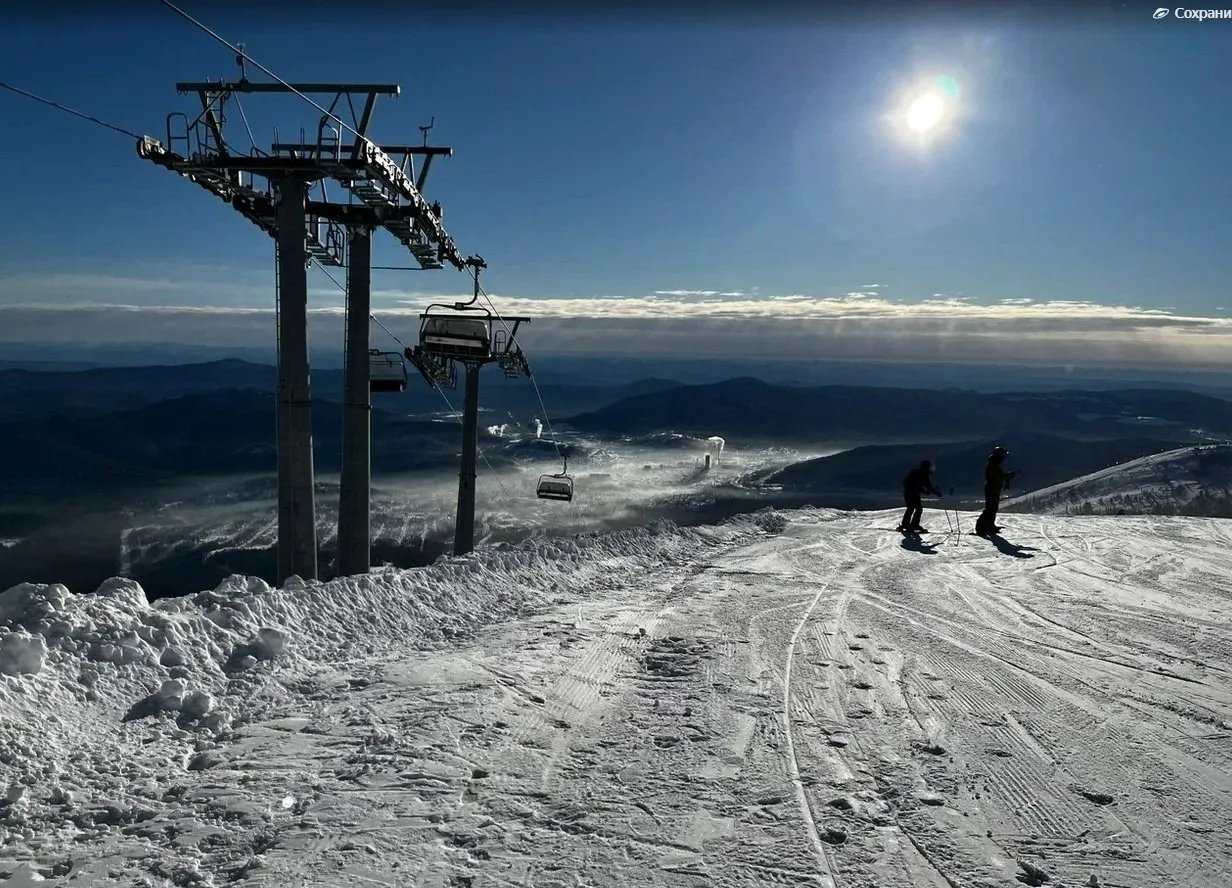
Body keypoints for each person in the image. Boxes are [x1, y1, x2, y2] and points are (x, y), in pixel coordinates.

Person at [974, 445, 1018, 536]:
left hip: (994, 488)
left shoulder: (994, 464)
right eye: (1003, 456)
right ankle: (980, 528)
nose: (1004, 458)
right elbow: (997, 477)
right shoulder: (993, 465)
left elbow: (999, 477)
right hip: (992, 488)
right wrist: (1008, 476)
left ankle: (990, 525)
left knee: (993, 508)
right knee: (990, 508)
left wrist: (1007, 476)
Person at [899, 459, 942, 533]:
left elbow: (924, 486)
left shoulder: (920, 473)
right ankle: (909, 525)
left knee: (914, 508)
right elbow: (925, 486)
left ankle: (909, 525)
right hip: (911, 494)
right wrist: (936, 493)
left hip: (913, 494)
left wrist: (926, 491)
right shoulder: (921, 474)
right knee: (914, 508)